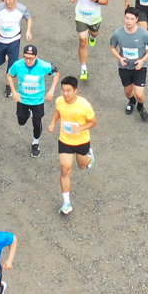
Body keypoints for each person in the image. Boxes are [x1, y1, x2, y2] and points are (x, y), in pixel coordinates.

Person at [44, 75, 96, 215]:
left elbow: (93, 122)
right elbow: (59, 112)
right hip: (65, 141)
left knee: (82, 165)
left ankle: (89, 156)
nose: (65, 93)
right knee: (65, 169)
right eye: (63, 90)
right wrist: (53, 123)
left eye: (68, 90)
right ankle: (66, 202)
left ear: (76, 90)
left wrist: (79, 129)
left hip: (82, 141)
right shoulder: (60, 101)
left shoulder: (84, 105)